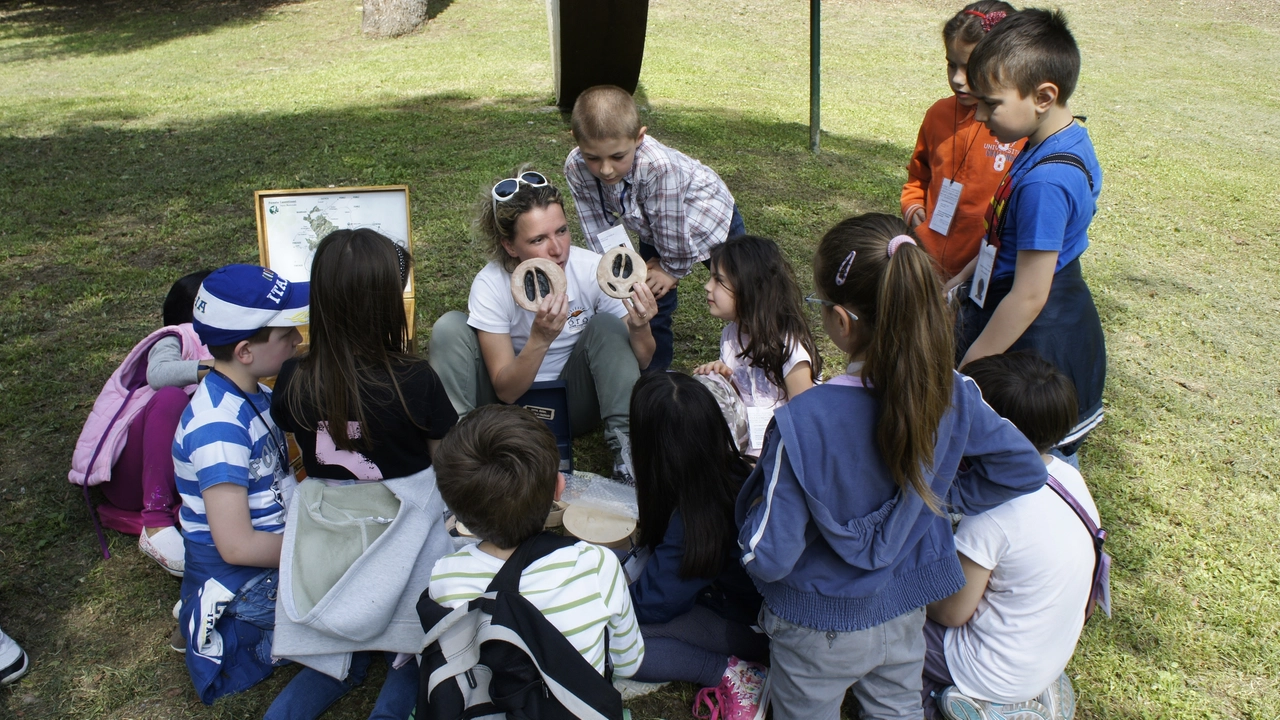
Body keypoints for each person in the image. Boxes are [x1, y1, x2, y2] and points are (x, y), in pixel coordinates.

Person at [736, 213, 1046, 720]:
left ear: (841, 320)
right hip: (904, 611)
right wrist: (935, 500)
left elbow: (770, 555)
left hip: (816, 627)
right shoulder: (953, 395)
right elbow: (1024, 469)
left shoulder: (801, 422)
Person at [265, 229, 457, 719]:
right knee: (417, 649)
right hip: (406, 540)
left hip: (329, 539)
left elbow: (295, 436)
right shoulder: (415, 379)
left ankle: (317, 676)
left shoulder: (293, 378)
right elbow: (446, 463)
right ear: (387, 304)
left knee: (328, 660)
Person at [429, 168, 657, 481]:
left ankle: (628, 455)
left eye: (561, 231)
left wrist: (640, 325)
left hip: (574, 401)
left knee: (608, 324)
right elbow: (506, 392)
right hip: (505, 407)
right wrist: (540, 339)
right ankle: (456, 453)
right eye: (538, 239)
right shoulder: (491, 284)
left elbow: (643, 360)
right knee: (449, 328)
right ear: (510, 246)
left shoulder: (592, 270)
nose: (556, 248)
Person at [954, 8, 1107, 463]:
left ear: (1043, 95)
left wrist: (968, 371)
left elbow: (1029, 295)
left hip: (1038, 341)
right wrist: (961, 279)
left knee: (1035, 461)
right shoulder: (1060, 137)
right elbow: (1004, 236)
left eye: (991, 103)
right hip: (1025, 318)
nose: (980, 115)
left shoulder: (1046, 183)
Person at [924, 351, 1095, 720]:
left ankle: (945, 702)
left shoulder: (993, 510)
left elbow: (951, 611)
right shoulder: (1069, 478)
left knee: (890, 628)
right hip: (1046, 657)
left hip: (987, 670)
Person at [173, 264, 308, 704]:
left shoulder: (258, 394)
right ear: (246, 351)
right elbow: (237, 546)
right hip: (245, 583)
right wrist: (317, 548)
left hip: (273, 556)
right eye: (286, 333)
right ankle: (233, 629)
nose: (298, 340)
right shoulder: (217, 426)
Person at [428, 404, 644, 678]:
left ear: (455, 511)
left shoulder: (445, 577)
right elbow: (628, 664)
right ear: (559, 488)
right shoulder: (598, 564)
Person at [564, 84, 745, 372]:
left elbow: (673, 228)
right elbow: (598, 226)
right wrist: (623, 272)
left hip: (708, 220)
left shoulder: (658, 167)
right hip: (654, 225)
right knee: (648, 301)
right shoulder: (575, 168)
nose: (606, 169)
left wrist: (670, 269)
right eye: (593, 158)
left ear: (639, 137)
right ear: (576, 140)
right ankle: (654, 381)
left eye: (618, 157)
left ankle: (763, 355)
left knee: (742, 290)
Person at [625, 372, 769, 720]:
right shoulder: (732, 474)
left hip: (757, 631)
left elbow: (651, 607)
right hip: (741, 604)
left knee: (616, 640)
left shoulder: (695, 521)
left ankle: (730, 672)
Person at [69, 270, 214, 575]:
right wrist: (213, 367)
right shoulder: (178, 336)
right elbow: (158, 374)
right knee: (170, 398)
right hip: (129, 481)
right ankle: (157, 524)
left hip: (183, 477)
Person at [901, 1, 1023, 282]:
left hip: (986, 272)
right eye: (951, 64)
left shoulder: (1016, 129)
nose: (957, 79)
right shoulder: (938, 115)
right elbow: (918, 175)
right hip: (929, 264)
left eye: (969, 67)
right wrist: (913, 205)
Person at [693, 235, 819, 456]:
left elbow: (806, 418)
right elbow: (738, 402)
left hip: (782, 450)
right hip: (747, 445)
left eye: (718, 280)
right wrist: (723, 378)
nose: (707, 286)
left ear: (750, 288)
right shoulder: (730, 335)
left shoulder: (789, 346)